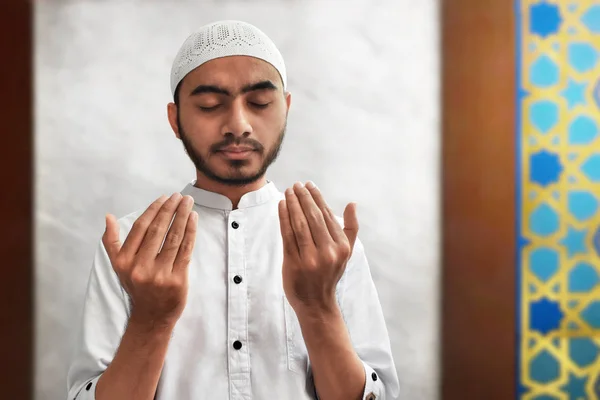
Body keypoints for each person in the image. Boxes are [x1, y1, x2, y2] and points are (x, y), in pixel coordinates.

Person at [66, 20, 399, 400]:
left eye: (259, 103)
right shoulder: (132, 247)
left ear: (285, 108)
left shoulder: (330, 245)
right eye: (210, 105)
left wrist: (318, 306)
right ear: (175, 120)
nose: (238, 125)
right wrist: (151, 319)